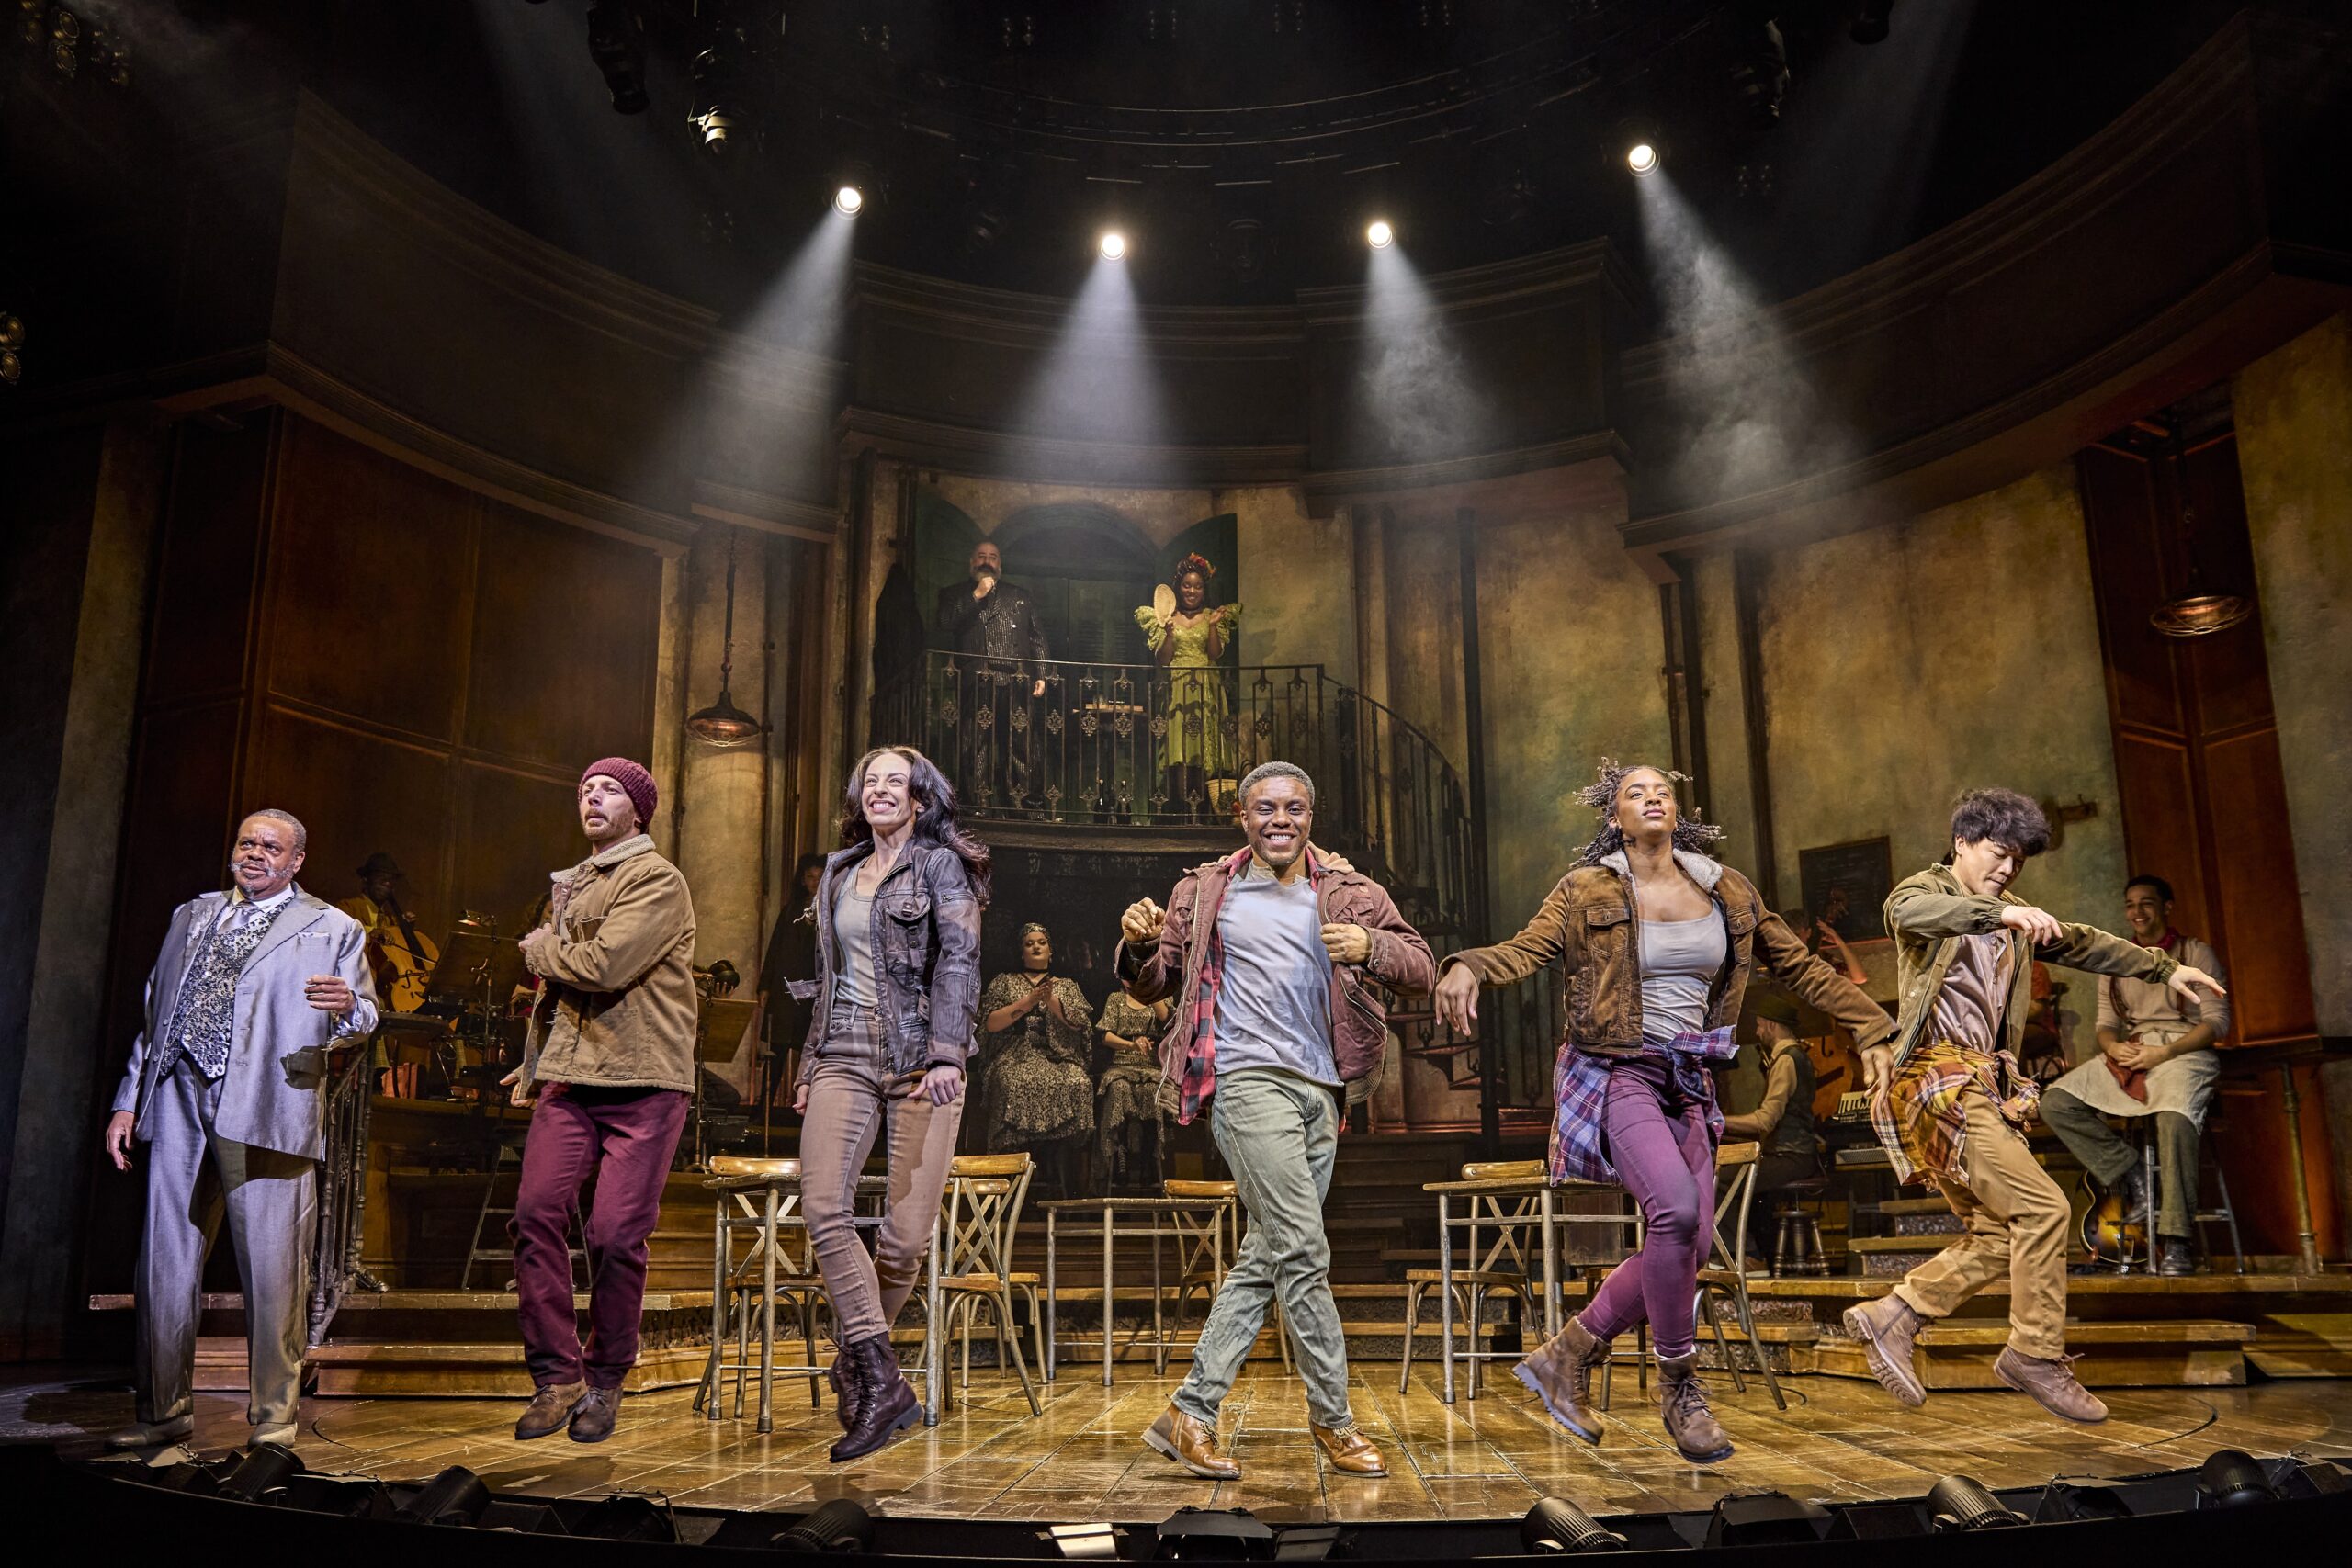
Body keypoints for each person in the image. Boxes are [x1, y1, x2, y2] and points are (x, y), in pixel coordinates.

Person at [1434, 760, 1891, 1465]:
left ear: (1678, 812)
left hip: (1690, 1078)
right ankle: (1680, 1385)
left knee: (1692, 1243)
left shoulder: (1727, 890)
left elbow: (1799, 966)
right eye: (1634, 792)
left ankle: (1567, 1352)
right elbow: (1525, 949)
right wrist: (1466, 964)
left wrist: (1873, 1024)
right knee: (1674, 1212)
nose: (1652, 798)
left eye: (1663, 791)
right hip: (1619, 1070)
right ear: (1615, 816)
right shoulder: (1586, 888)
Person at [1842, 791, 2225, 1424]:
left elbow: (2085, 943)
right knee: (2044, 1208)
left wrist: (2163, 970)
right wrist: (1999, 914)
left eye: (2018, 861)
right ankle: (2035, 1354)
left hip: (1982, 1083)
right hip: (1939, 1080)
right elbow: (1909, 912)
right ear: (1962, 842)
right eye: (1999, 853)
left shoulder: (2015, 918)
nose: (2008, 869)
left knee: (1999, 1233)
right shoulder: (1926, 893)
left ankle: (1895, 1315)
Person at [1119, 761, 1435, 1483]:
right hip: (1244, 1081)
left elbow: (1420, 965)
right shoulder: (1207, 891)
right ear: (1242, 815)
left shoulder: (1351, 892)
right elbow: (1155, 981)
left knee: (1268, 1254)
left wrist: (1371, 947)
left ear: (1310, 815)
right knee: (1304, 1250)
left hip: (1323, 1090)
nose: (1280, 819)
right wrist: (1138, 945)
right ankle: (1335, 1418)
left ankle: (1189, 1412)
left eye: (1294, 807)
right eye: (1266, 808)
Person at [103, 808, 378, 1451]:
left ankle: (274, 1418)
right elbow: (155, 1013)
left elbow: (365, 1015)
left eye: (271, 846)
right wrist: (127, 1101)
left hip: (268, 1102)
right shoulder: (191, 914)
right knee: (163, 1264)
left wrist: (348, 1009)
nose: (255, 853)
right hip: (177, 1095)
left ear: (296, 860)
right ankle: (162, 1412)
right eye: (247, 842)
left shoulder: (332, 926)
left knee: (274, 1269)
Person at [793, 745, 987, 1461]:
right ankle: (882, 1377)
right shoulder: (839, 872)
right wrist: (810, 1062)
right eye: (869, 781)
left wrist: (947, 1052)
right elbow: (829, 973)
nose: (878, 790)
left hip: (919, 1056)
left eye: (893, 782)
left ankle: (853, 1358)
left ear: (919, 798)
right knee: (823, 1206)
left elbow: (959, 961)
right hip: (842, 1049)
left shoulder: (940, 867)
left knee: (905, 1241)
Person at [503, 759, 698, 1446]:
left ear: (638, 811)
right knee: (534, 1214)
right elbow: (561, 995)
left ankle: (607, 1377)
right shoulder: (574, 882)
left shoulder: (656, 878)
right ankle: (557, 1377)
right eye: (585, 788)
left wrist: (539, 947)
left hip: (644, 1078)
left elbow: (604, 965)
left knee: (614, 1234)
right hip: (571, 1078)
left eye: (609, 789)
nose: (592, 797)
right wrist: (535, 1062)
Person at [2034, 874, 2232, 1277]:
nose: (2137, 912)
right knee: (2056, 1101)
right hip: (2136, 1049)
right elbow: (2106, 1026)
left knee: (2174, 1120)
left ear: (2166, 907)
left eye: (2146, 903)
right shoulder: (2118, 960)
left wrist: (2166, 1052)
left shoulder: (2195, 953)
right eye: (2130, 905)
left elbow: (2217, 1022)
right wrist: (2112, 1047)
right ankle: (2131, 1173)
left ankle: (2176, 1241)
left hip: (2183, 1051)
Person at [978, 923, 1095, 1196]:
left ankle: (1072, 1180)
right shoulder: (1005, 982)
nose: (1036, 947)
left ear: (1051, 951)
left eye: (1041, 942)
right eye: (1029, 943)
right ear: (1021, 952)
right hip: (1015, 1055)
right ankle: (1009, 1166)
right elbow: (990, 1024)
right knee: (1010, 1082)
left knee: (1079, 1083)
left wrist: (1051, 1000)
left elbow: (1079, 1025)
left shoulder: (1066, 986)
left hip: (1056, 1057)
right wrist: (1027, 1002)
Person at [933, 538, 1050, 810]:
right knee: (975, 743)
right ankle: (977, 802)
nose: (987, 561)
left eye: (993, 557)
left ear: (1000, 565)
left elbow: (1037, 637)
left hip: (1016, 679)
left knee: (1021, 743)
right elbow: (945, 622)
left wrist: (1043, 673)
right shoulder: (954, 594)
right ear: (971, 562)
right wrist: (976, 595)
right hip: (976, 680)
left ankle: (1023, 805)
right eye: (981, 556)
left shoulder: (1020, 595)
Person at [1136, 553, 1241, 820]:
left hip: (1206, 687)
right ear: (1178, 587)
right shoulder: (1167, 618)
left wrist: (1213, 627)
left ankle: (1203, 812)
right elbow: (1163, 659)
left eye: (1197, 586)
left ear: (1204, 590)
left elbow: (1214, 654)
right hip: (1178, 688)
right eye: (1187, 585)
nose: (1192, 591)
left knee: (1203, 749)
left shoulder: (1212, 617)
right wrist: (1169, 635)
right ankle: (1181, 810)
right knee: (1180, 748)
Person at [1717, 989, 1826, 1201]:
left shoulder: (1786, 1061)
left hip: (1790, 1157)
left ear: (1771, 1025)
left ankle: (1739, 1226)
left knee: (1721, 1179)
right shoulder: (1797, 1056)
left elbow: (1765, 1120)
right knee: (1744, 1182)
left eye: (1760, 1025)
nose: (1757, 1032)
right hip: (1799, 1155)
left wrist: (1719, 1120)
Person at [755, 852, 829, 1110]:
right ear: (802, 880)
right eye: (810, 877)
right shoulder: (791, 910)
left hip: (814, 990)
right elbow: (775, 948)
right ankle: (764, 1106)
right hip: (785, 989)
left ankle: (806, 1107)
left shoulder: (831, 910)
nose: (814, 882)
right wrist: (765, 985)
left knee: (808, 1050)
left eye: (819, 877)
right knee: (777, 1049)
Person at [1097, 990, 1172, 1192]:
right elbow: (1105, 1036)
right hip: (1122, 1063)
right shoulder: (1116, 998)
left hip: (1151, 1065)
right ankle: (1119, 1153)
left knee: (1152, 1091)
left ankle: (1148, 1157)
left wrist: (1150, 990)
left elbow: (1169, 1021)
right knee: (1118, 1087)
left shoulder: (1162, 997)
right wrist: (1131, 1045)